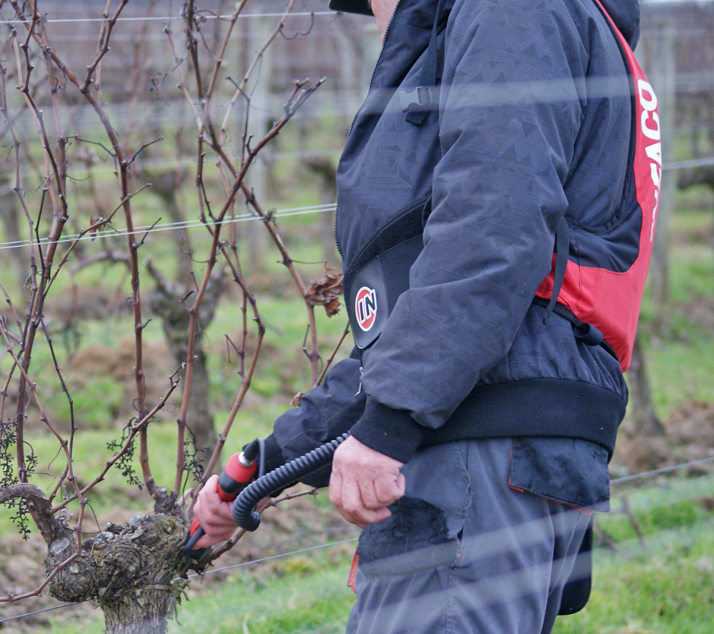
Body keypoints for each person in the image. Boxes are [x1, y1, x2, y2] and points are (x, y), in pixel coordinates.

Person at [192, 0, 660, 630]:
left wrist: (392, 421)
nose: (377, 20)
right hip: (508, 436)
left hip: (480, 451)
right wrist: (262, 465)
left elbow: (494, 231)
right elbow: (426, 312)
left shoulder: (508, 11)